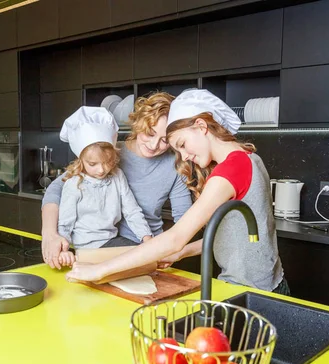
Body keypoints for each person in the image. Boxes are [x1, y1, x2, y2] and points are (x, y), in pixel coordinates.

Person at [66, 89, 290, 296]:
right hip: (268, 286)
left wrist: (99, 270)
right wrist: (181, 254)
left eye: (182, 144)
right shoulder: (249, 158)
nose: (183, 156)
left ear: (202, 127)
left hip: (252, 291)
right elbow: (231, 239)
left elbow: (175, 238)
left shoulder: (230, 170)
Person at [41, 92, 193, 269]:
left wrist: (168, 249)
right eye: (149, 133)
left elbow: (185, 220)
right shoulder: (107, 152)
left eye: (165, 140)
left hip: (149, 249)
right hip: (104, 249)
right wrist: (50, 234)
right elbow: (56, 190)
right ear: (139, 123)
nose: (153, 146)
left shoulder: (176, 166)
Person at [54, 106, 153, 267]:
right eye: (92, 164)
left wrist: (146, 238)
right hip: (86, 249)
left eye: (107, 162)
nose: (101, 170)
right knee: (138, 261)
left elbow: (132, 210)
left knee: (146, 255)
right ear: (80, 160)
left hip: (111, 241)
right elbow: (65, 223)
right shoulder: (74, 184)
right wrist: (63, 250)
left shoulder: (117, 176)